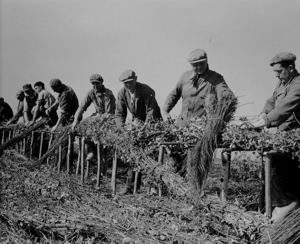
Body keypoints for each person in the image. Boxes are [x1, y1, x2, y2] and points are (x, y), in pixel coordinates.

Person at [250, 52, 300, 223]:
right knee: (271, 169)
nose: (277, 75)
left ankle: (287, 204)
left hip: (294, 135)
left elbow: (285, 108)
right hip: (282, 133)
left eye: (279, 71)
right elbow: (272, 101)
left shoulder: (298, 84)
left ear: (291, 68)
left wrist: (264, 121)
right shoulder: (282, 82)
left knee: (279, 168)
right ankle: (272, 206)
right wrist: (262, 114)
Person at [115, 69, 162, 195]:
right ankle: (130, 187)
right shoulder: (122, 93)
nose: (128, 85)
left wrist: (145, 130)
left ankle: (153, 187)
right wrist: (122, 130)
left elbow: (151, 113)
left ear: (135, 79)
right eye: (125, 83)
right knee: (134, 155)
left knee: (151, 155)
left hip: (153, 125)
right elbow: (119, 114)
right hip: (137, 125)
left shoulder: (147, 90)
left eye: (130, 82)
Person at [162, 49, 233, 123]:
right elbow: (173, 95)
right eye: (195, 65)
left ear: (206, 61)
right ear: (191, 65)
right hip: (182, 125)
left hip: (202, 127)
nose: (199, 67)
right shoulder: (185, 77)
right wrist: (165, 111)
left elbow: (225, 93)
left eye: (202, 64)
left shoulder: (216, 78)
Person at [71, 74, 116, 176]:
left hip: (108, 120)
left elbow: (109, 114)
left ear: (102, 82)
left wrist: (96, 120)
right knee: (83, 126)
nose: (95, 85)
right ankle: (92, 150)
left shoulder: (108, 94)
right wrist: (75, 121)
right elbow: (81, 107)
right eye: (93, 83)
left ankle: (102, 173)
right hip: (97, 117)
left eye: (97, 83)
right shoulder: (90, 92)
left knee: (103, 147)